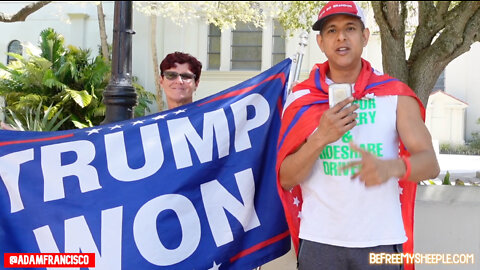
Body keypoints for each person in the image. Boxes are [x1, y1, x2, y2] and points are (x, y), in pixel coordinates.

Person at [276, 1, 440, 270]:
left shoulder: (394, 95)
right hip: (320, 242)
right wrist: (321, 137)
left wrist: (392, 167)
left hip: (381, 242)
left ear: (364, 37)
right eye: (331, 30)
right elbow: (285, 178)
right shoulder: (302, 98)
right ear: (320, 41)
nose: (341, 36)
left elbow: (431, 164)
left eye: (350, 28)